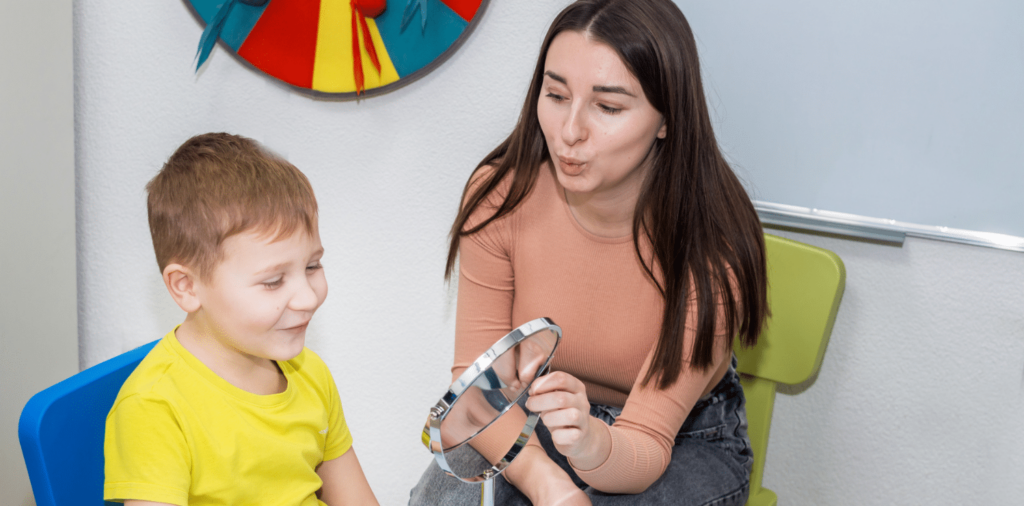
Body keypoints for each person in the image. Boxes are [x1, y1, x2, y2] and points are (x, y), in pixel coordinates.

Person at [410, 0, 768, 504]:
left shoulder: (711, 249)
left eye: (609, 107)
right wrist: (543, 479)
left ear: (667, 119)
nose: (569, 132)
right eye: (555, 95)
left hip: (680, 438)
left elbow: (645, 446)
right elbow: (476, 394)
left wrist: (588, 442)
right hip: (538, 418)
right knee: (442, 497)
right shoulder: (499, 198)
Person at [103, 133, 379, 506]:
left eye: (312, 265)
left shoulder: (310, 374)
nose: (308, 296)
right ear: (186, 286)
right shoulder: (154, 408)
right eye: (273, 281)